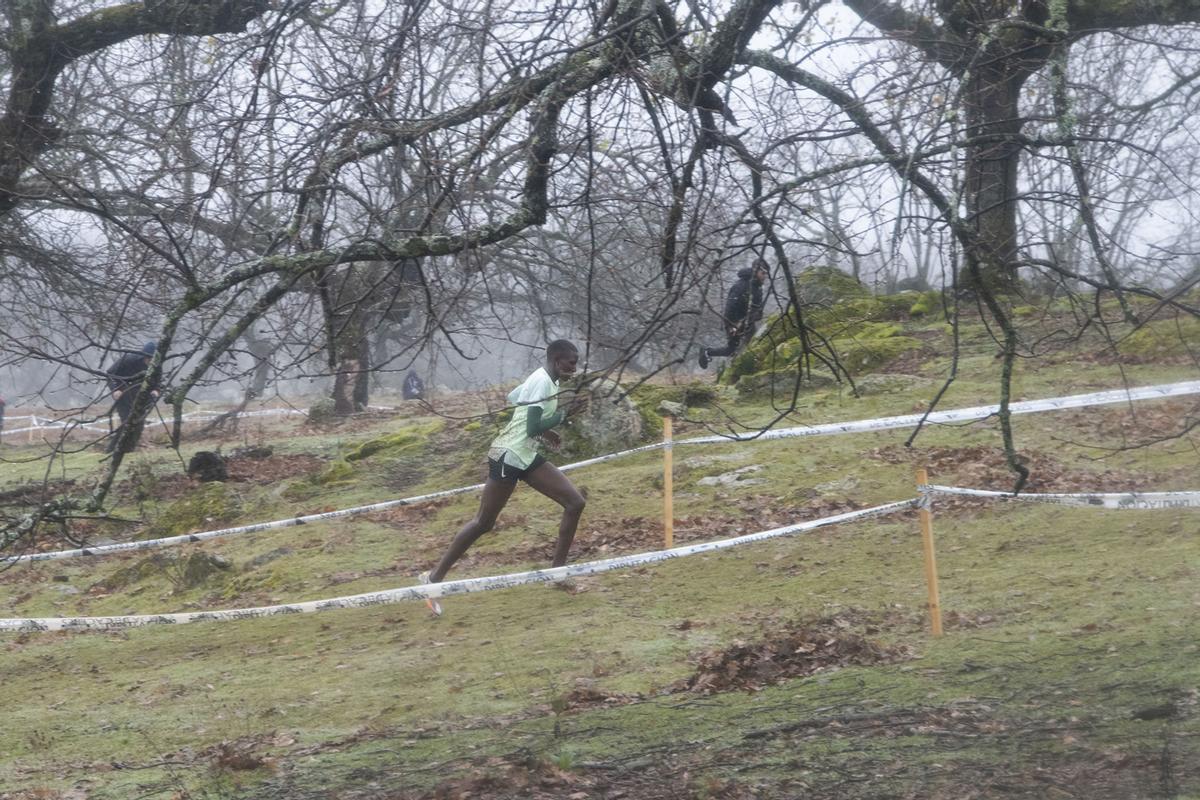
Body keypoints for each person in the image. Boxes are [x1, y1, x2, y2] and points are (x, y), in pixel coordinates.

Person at [420, 339, 589, 615]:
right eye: (571, 362)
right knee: (483, 523)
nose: (575, 367)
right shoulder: (543, 382)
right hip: (508, 457)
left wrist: (546, 432)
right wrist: (559, 418)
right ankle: (432, 579)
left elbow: (515, 399)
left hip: (524, 455)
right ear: (557, 359)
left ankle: (557, 573)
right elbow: (533, 423)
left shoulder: (549, 380)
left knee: (575, 502)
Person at [699, 259, 769, 369]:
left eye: (766, 274)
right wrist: (732, 325)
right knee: (731, 350)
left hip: (748, 323)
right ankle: (707, 352)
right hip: (734, 321)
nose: (765, 276)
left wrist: (755, 316)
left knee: (754, 345)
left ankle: (745, 369)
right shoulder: (741, 285)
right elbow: (730, 307)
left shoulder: (758, 288)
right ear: (756, 271)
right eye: (763, 273)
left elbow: (758, 310)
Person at [105, 341, 160, 453]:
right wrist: (115, 389)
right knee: (127, 423)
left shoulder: (157, 365)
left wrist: (156, 391)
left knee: (139, 425)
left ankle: (129, 451)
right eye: (149, 359)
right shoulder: (128, 360)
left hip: (143, 397)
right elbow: (110, 374)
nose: (150, 362)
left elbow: (157, 382)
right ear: (144, 356)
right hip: (124, 396)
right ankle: (111, 451)